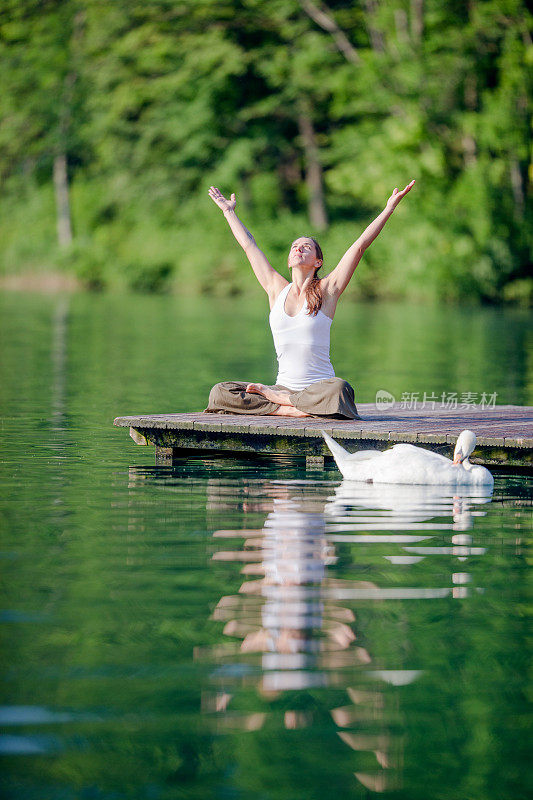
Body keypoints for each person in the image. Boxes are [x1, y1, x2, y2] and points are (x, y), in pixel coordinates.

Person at [205, 180, 415, 418]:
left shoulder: (328, 290)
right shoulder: (275, 288)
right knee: (220, 392)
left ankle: (285, 405)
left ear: (318, 262)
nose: (298, 249)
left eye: (306, 247)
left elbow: (359, 246)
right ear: (288, 260)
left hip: (317, 389)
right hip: (281, 388)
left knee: (340, 390)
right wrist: (229, 212)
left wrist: (388, 209)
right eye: (295, 246)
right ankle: (293, 409)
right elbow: (248, 245)